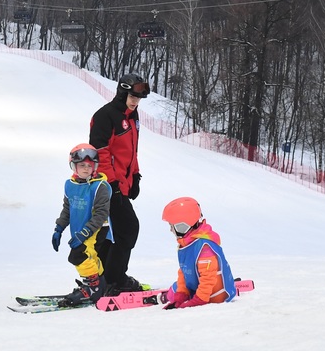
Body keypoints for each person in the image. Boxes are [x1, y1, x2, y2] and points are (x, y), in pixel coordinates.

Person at [89, 73, 149, 296]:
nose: (135, 101)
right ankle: (115, 279)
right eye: (132, 96)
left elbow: (130, 152)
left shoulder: (133, 117)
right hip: (106, 186)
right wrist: (111, 184)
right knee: (128, 229)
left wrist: (136, 176)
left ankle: (102, 277)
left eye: (138, 98)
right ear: (122, 92)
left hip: (121, 184)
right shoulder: (106, 116)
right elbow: (101, 153)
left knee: (113, 233)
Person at [52, 144, 113, 307]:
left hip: (96, 228)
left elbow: (101, 214)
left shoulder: (100, 186)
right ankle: (99, 285)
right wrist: (59, 228)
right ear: (74, 166)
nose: (86, 169)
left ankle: (92, 287)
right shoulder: (70, 185)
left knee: (78, 256)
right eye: (82, 165)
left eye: (89, 165)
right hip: (80, 230)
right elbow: (67, 209)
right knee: (90, 257)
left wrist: (85, 233)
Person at [161, 197, 237, 310]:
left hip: (213, 297)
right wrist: (181, 295)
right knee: (176, 290)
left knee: (172, 291)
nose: (171, 230)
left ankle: (162, 297)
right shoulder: (186, 243)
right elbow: (184, 271)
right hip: (197, 288)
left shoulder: (204, 248)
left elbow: (208, 278)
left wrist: (198, 300)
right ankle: (171, 295)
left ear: (183, 226)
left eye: (172, 226)